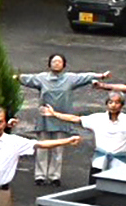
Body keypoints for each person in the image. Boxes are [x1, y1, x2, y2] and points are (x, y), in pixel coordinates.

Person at [14, 55, 107, 186]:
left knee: (58, 148)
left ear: (64, 65)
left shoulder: (70, 79)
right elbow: (26, 78)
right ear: (49, 64)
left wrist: (100, 76)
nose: (56, 64)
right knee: (42, 147)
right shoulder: (42, 78)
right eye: (54, 61)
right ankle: (40, 175)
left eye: (59, 61)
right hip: (44, 118)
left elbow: (85, 76)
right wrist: (15, 77)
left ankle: (54, 176)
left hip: (62, 118)